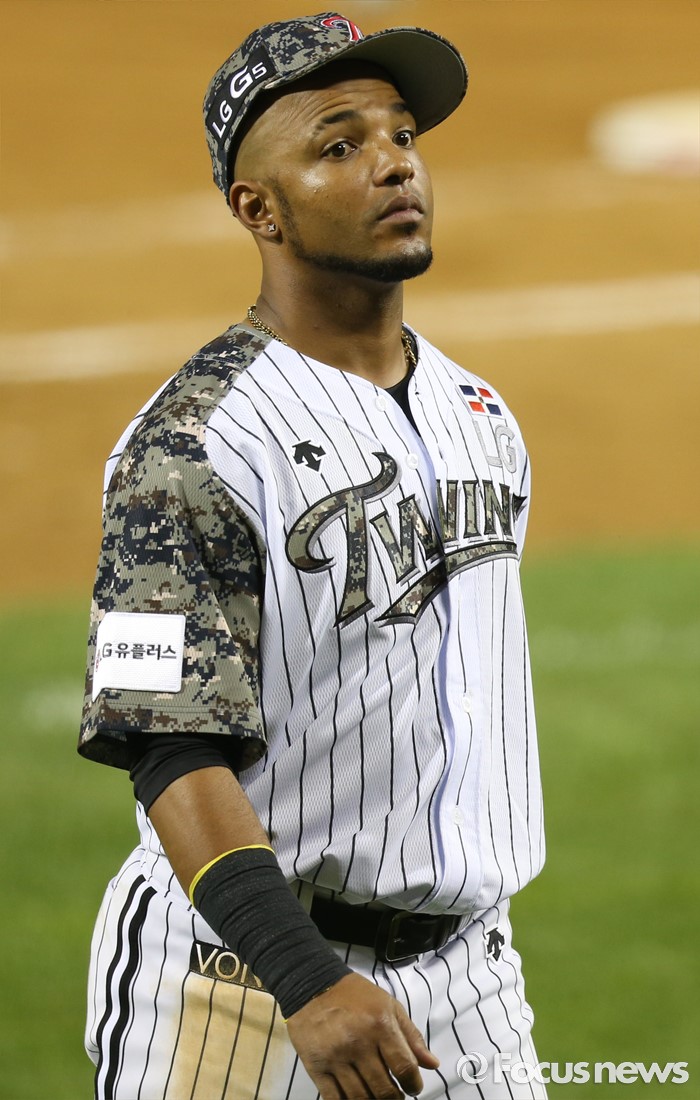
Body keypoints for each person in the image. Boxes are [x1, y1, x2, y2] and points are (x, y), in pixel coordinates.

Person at [78, 12, 547, 1100]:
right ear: (259, 207)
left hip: (471, 980)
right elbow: (167, 747)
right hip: (239, 983)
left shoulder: (479, 411)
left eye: (401, 135)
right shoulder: (189, 444)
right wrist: (304, 979)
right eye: (340, 145)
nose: (393, 163)